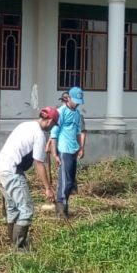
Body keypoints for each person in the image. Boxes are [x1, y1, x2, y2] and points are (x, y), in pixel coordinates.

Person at [0, 106, 59, 251]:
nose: (52, 127)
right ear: (50, 121)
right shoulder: (39, 135)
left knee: (12, 208)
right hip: (11, 170)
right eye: (54, 124)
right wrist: (48, 188)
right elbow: (39, 163)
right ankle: (19, 249)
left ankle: (13, 244)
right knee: (26, 209)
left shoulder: (25, 125)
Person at [48, 86, 87, 219]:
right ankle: (60, 210)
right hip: (64, 150)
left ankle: (65, 206)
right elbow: (54, 134)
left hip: (73, 149)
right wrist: (54, 153)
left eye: (78, 101)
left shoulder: (76, 113)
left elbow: (78, 132)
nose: (76, 104)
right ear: (68, 98)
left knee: (71, 181)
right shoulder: (61, 112)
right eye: (74, 100)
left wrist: (80, 148)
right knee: (65, 181)